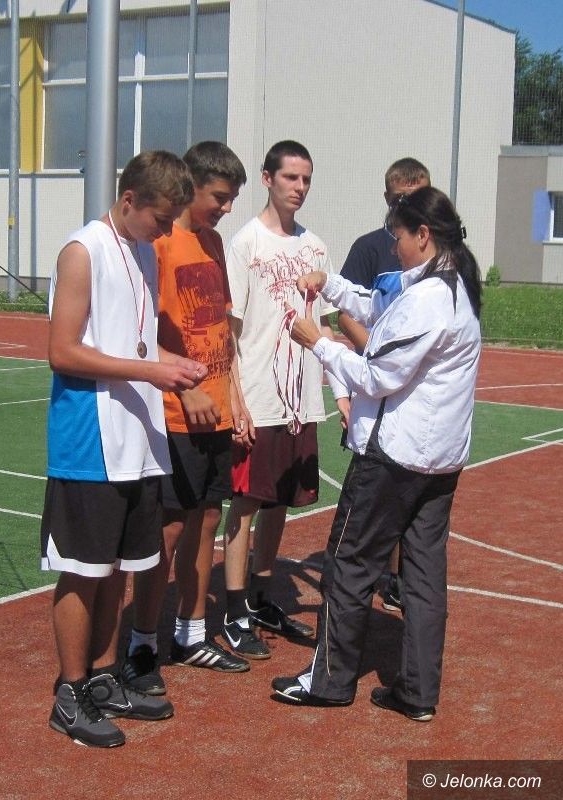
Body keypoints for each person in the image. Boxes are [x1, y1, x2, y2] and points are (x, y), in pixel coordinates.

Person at [271, 186, 482, 720]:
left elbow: (377, 375)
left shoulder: (431, 298)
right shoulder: (446, 285)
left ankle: (330, 680)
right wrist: (331, 285)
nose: (393, 246)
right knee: (423, 577)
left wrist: (318, 343)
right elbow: (382, 308)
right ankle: (417, 692)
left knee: (349, 563)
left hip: (395, 457)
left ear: (424, 235)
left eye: (399, 236)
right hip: (438, 460)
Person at [42, 151, 208, 748]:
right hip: (90, 437)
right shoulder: (82, 251)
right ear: (130, 198)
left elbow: (132, 341)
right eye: (161, 219)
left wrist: (173, 366)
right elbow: (62, 351)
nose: (165, 232)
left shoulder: (141, 250)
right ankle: (70, 693)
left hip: (137, 437)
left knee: (120, 567)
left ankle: (105, 676)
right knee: (84, 569)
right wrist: (150, 370)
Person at [123, 142, 252, 692]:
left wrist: (235, 397)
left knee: (207, 521)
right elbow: (139, 329)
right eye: (218, 197)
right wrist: (186, 387)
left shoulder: (214, 242)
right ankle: (142, 644)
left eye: (232, 199)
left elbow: (220, 328)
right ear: (189, 187)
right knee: (169, 529)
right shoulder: (158, 241)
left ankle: (192, 633)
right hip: (176, 412)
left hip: (216, 410)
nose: (226, 208)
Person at [222, 140, 336, 659]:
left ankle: (263, 597)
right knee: (245, 504)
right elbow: (231, 330)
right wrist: (237, 400)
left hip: (301, 400)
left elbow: (323, 326)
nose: (300, 187)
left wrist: (342, 392)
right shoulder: (246, 243)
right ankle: (233, 610)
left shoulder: (316, 246)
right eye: (291, 177)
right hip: (259, 398)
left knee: (281, 504)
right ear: (267, 179)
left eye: (306, 179)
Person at [336, 158, 431, 614]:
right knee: (370, 496)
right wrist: (375, 352)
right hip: (376, 393)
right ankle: (369, 576)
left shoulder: (442, 262)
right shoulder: (370, 248)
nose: (407, 205)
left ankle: (396, 576)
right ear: (387, 198)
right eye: (400, 199)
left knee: (410, 499)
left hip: (414, 402)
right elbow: (348, 312)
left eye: (417, 197)